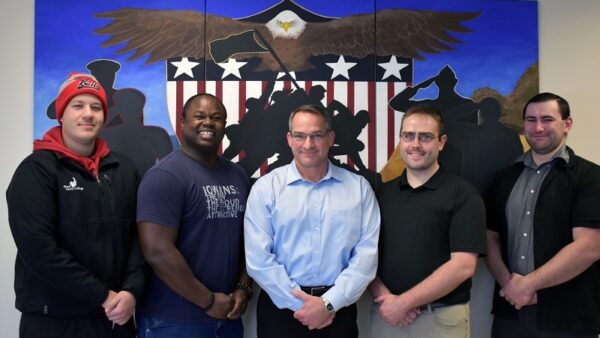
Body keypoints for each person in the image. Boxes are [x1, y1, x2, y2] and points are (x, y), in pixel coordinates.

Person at [6, 72, 145, 338]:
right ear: (61, 114)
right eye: (77, 105)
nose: (88, 114)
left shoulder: (124, 170)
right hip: (55, 322)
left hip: (115, 317)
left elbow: (140, 238)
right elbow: (38, 249)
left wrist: (132, 291)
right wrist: (102, 295)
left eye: (96, 107)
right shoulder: (36, 171)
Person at [244, 104, 380, 338]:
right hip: (281, 311)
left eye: (317, 135)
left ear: (330, 138)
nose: (308, 144)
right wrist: (303, 306)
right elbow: (258, 260)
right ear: (289, 139)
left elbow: (366, 256)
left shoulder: (358, 188)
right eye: (300, 136)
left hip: (339, 311)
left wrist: (328, 304)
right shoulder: (266, 189)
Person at [136, 93, 251, 338]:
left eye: (216, 117)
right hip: (174, 321)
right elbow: (157, 250)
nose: (208, 122)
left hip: (228, 317)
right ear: (182, 122)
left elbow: (246, 239)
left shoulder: (237, 175)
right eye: (199, 116)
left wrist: (243, 287)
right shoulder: (166, 176)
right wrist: (207, 301)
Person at [485, 92, 600, 337]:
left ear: (567, 124)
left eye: (547, 119)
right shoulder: (504, 178)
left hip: (567, 318)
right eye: (530, 119)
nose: (538, 127)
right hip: (511, 313)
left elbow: (590, 247)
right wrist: (509, 284)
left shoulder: (590, 177)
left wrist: (529, 285)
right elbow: (490, 238)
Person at [370, 104, 486, 338]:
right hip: (387, 316)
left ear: (441, 142)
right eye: (408, 136)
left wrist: (404, 303)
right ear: (401, 139)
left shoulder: (463, 194)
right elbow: (366, 254)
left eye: (425, 137)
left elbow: (463, 265)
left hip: (440, 321)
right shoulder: (382, 194)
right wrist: (388, 301)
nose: (415, 144)